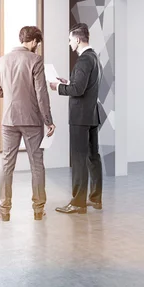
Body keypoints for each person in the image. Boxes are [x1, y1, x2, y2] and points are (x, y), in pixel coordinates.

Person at [0, 26, 55, 222]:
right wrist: (49, 121)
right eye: (38, 43)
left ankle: (4, 209)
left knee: (6, 164)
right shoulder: (36, 60)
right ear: (34, 42)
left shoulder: (1, 61)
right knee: (36, 164)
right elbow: (41, 94)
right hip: (32, 121)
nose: (38, 47)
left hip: (9, 120)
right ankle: (38, 209)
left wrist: (13, 96)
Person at [49, 23, 102, 214]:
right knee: (92, 157)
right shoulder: (94, 57)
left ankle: (78, 203)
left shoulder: (82, 61)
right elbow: (84, 85)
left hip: (80, 117)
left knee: (79, 159)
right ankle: (95, 199)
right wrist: (68, 81)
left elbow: (78, 90)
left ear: (77, 39)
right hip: (91, 115)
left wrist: (58, 87)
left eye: (70, 39)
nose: (69, 42)